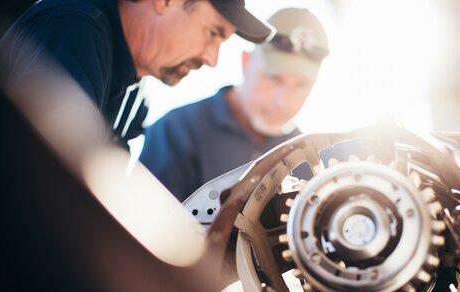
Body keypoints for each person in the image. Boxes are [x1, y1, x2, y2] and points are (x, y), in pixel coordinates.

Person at [0, 0, 273, 147]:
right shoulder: (75, 27)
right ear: (166, 2)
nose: (212, 59)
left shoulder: (136, 100)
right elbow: (47, 182)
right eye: (213, 33)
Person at [140, 7, 329, 201]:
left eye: (300, 86)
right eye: (274, 79)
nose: (283, 100)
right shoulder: (176, 131)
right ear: (245, 62)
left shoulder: (309, 158)